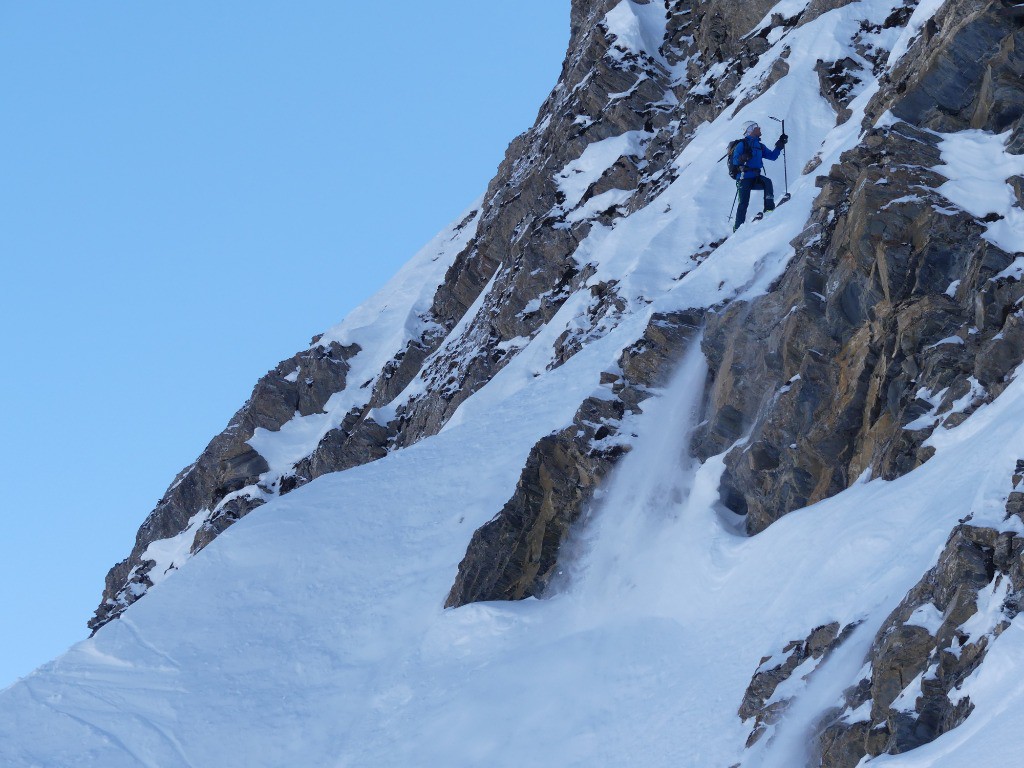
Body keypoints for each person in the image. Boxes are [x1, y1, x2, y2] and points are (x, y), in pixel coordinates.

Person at [732, 121, 787, 231]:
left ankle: (769, 209)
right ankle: (737, 229)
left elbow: (772, 156)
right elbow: (735, 160)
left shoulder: (759, 146)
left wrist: (780, 144)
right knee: (743, 203)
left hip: (755, 177)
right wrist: (742, 158)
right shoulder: (742, 144)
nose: (759, 128)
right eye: (757, 127)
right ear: (750, 130)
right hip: (743, 178)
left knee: (767, 182)